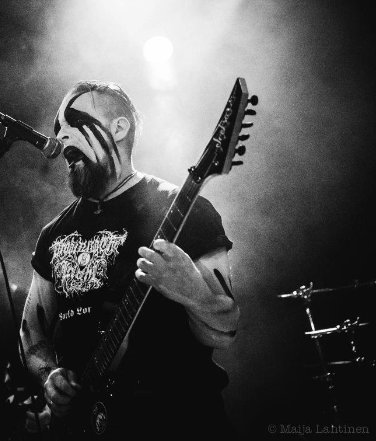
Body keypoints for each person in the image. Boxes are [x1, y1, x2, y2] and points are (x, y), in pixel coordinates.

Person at [19, 80, 240, 439]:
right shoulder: (53, 234)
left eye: (74, 122)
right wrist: (49, 376)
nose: (60, 138)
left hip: (181, 421)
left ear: (119, 128)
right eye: (58, 129)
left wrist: (193, 294)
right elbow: (31, 332)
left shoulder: (185, 211)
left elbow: (226, 329)